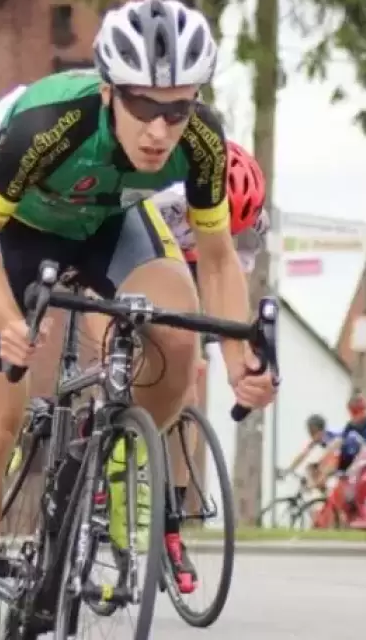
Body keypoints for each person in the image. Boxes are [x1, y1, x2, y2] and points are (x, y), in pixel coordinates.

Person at [0, 0, 278, 639]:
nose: (159, 130)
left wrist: (240, 360)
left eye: (177, 110)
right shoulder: (51, 121)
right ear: (108, 92)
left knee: (177, 332)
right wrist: (7, 318)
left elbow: (216, 259)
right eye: (143, 107)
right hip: (15, 237)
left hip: (108, 226)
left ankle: (121, 455)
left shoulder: (202, 141)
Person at [93, 139, 268, 594]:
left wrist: (226, 349)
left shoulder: (250, 227)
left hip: (196, 271)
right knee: (112, 359)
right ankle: (99, 446)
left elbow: (227, 285)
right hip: (137, 263)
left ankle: (170, 523)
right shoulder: (165, 200)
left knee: (187, 385)